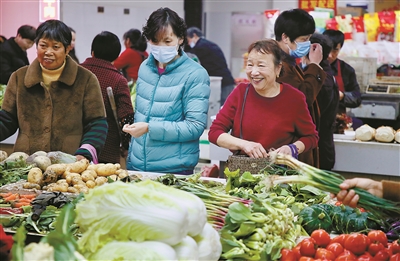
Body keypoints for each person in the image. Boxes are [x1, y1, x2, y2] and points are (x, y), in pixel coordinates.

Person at [0, 19, 107, 162]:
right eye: (43, 46)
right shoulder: (19, 77)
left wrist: (85, 152)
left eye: (55, 47)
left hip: (69, 165)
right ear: (36, 46)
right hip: (26, 164)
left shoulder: (86, 79)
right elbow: (7, 119)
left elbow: (97, 122)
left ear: (68, 48)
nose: (48, 52)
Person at [122, 7, 210, 174]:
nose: (161, 47)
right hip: (137, 165)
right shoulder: (145, 68)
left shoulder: (195, 74)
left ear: (180, 39)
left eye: (168, 41)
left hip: (174, 169)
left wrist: (149, 128)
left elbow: (194, 126)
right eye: (155, 41)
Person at [208, 39, 318, 160]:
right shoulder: (240, 92)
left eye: (261, 65)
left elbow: (311, 137)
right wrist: (244, 144)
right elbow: (214, 133)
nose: (254, 72)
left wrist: (292, 148)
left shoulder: (294, 98)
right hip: (244, 172)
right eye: (250, 65)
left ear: (278, 68)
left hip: (279, 173)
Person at [274, 8, 326, 168]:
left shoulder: (288, 61)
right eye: (304, 39)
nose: (307, 44)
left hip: (295, 144)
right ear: (285, 37)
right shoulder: (278, 65)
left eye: (309, 38)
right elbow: (303, 97)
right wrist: (315, 65)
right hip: (287, 147)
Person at [81, 31, 134, 164]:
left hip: (75, 146)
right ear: (116, 56)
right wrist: (126, 145)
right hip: (106, 148)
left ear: (92, 51)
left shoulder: (77, 72)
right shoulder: (118, 80)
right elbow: (126, 117)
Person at [301, 33, 339, 170]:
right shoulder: (328, 76)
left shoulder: (317, 80)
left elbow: (306, 111)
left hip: (317, 153)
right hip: (325, 148)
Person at [322, 29, 362, 129]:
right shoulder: (311, 67)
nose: (330, 55)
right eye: (328, 49)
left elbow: (357, 99)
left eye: (335, 50)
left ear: (340, 48)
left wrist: (341, 96)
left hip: (338, 122)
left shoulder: (346, 70)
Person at [186, 26, 235, 105]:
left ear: (194, 36)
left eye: (188, 40)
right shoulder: (209, 44)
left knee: (224, 109)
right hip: (225, 81)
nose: (188, 43)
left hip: (222, 83)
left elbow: (189, 61)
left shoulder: (201, 46)